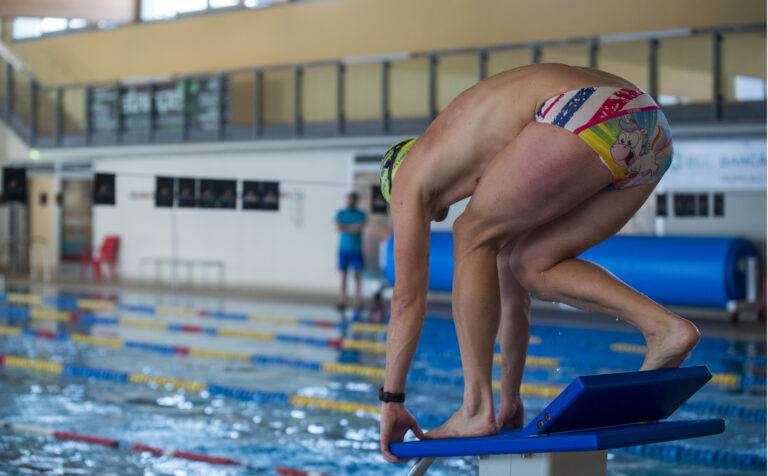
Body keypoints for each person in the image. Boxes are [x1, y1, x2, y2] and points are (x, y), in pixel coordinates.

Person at [377, 63, 701, 463]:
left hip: (588, 113)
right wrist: (511, 401)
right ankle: (665, 329)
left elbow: (407, 300)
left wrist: (391, 400)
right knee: (531, 264)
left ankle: (475, 408)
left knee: (470, 234)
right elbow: (514, 300)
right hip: (651, 130)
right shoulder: (479, 151)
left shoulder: (409, 172)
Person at [335, 191, 367, 310]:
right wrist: (352, 227)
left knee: (357, 277)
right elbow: (339, 227)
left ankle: (358, 302)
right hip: (343, 250)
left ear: (356, 201)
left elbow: (358, 228)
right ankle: (342, 300)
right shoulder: (341, 213)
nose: (350, 202)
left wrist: (346, 227)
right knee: (343, 276)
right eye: (349, 200)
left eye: (352, 200)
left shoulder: (361, 214)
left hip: (356, 250)